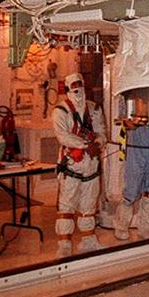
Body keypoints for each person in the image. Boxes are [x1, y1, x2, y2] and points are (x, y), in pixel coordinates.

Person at [51, 73, 106, 256]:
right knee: (67, 205)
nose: (78, 89)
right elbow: (62, 135)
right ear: (67, 88)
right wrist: (85, 146)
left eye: (80, 85)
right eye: (73, 86)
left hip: (91, 164)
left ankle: (88, 240)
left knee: (89, 204)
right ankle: (64, 244)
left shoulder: (94, 108)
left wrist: (97, 144)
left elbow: (101, 132)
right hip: (72, 165)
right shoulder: (60, 110)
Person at [114, 107, 149, 242]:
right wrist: (132, 122)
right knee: (131, 190)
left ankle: (146, 228)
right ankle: (121, 226)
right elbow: (123, 118)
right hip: (136, 145)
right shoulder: (130, 97)